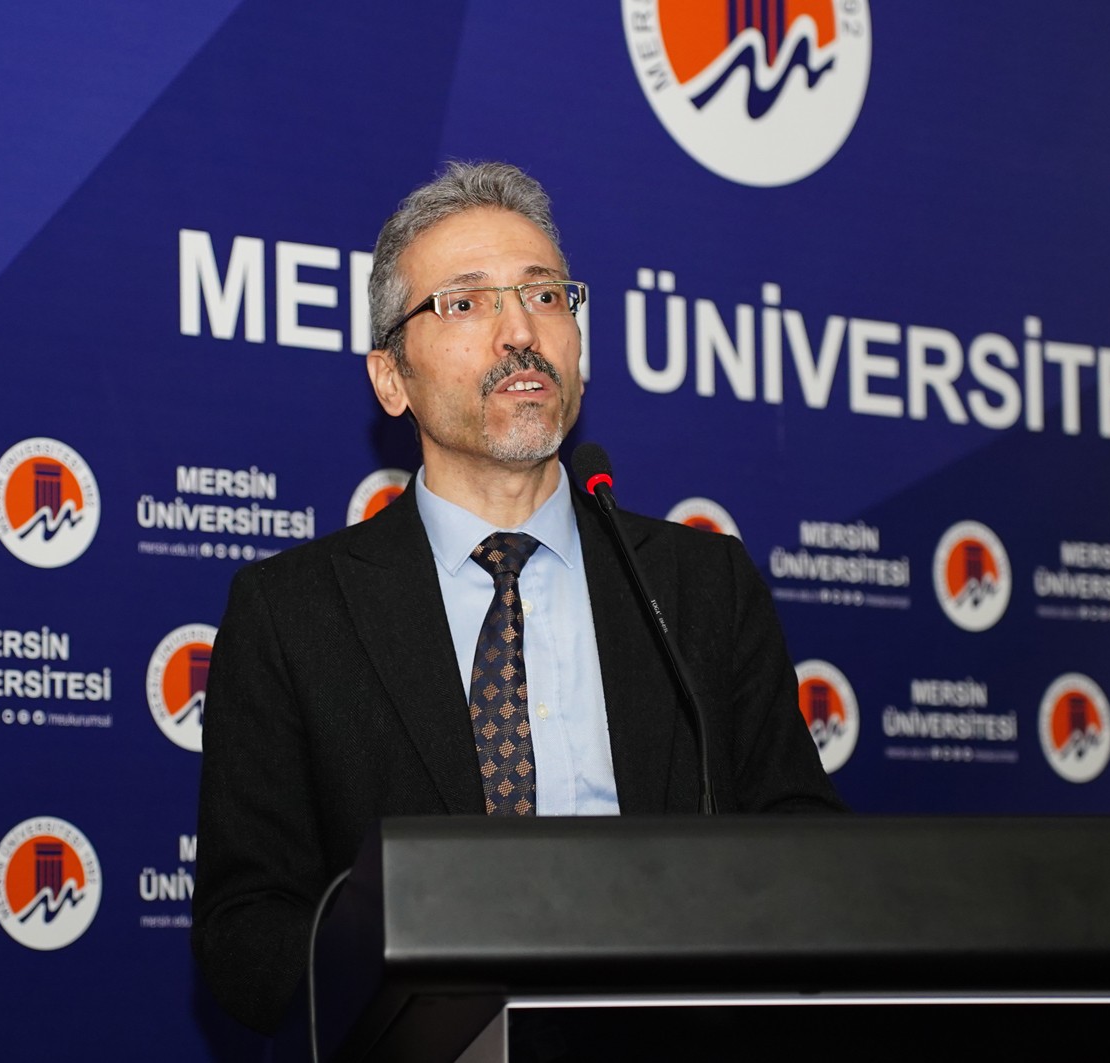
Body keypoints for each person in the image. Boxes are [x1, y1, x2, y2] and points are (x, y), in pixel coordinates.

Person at [191, 161, 844, 1033]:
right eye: (466, 303)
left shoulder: (700, 586)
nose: (520, 332)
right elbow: (245, 935)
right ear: (391, 378)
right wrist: (414, 951)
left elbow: (809, 853)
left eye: (545, 296)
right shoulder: (292, 613)